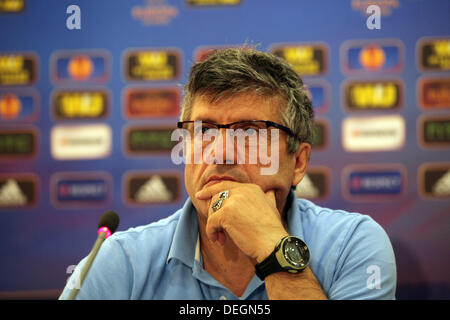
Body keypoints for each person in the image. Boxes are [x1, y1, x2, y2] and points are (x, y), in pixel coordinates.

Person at [60, 48, 396, 300]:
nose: (219, 151)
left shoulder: (353, 245)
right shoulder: (121, 262)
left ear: (298, 162)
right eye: (204, 130)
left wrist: (272, 247)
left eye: (249, 132)